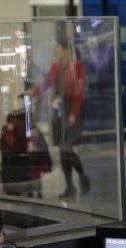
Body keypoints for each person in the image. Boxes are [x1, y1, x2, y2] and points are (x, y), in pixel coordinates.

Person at [27, 37, 90, 199]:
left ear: (66, 50)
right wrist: (32, 91)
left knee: (67, 148)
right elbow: (46, 84)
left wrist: (73, 114)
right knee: (63, 150)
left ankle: (82, 177)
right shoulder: (56, 67)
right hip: (60, 111)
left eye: (58, 48)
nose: (56, 51)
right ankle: (70, 186)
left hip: (73, 111)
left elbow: (79, 94)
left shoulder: (77, 67)